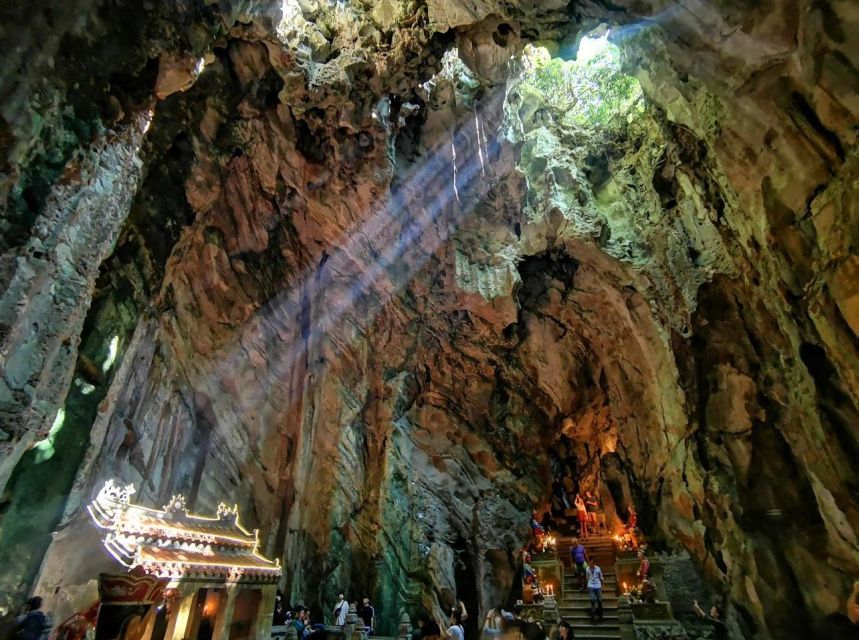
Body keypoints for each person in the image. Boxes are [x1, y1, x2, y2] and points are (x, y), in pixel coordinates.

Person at [586, 558, 603, 623]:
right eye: (590, 562)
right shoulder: (587, 569)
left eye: (592, 562)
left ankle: (600, 613)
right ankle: (594, 615)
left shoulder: (598, 568)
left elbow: (601, 577)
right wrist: (587, 585)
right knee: (592, 600)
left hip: (597, 585)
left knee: (599, 600)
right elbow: (587, 577)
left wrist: (602, 584)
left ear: (594, 563)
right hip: (591, 585)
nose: (591, 564)